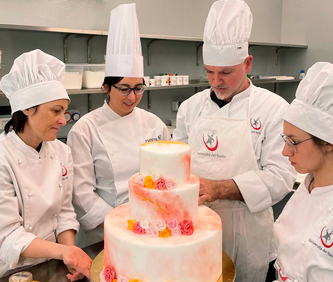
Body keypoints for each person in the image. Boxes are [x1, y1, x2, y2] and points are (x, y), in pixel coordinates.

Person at [172, 1, 297, 281]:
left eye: (226, 72)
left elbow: (282, 176)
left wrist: (221, 189)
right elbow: (177, 168)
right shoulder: (190, 108)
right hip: (196, 231)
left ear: (247, 63)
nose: (216, 81)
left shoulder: (274, 109)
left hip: (248, 234)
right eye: (209, 71)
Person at [67, 3, 170, 248]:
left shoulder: (154, 124)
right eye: (123, 89)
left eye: (138, 89)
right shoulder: (85, 129)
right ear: (106, 87)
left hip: (152, 225)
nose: (132, 97)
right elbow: (82, 195)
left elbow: (167, 178)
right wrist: (122, 224)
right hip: (106, 233)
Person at [0, 49, 91, 280]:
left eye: (65, 111)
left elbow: (64, 213)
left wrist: (70, 256)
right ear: (28, 108)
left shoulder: (61, 151)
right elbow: (8, 234)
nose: (64, 119)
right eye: (56, 111)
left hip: (52, 262)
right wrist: (65, 252)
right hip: (9, 269)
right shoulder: (3, 156)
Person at [273, 62, 333, 282]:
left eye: (294, 142)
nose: (285, 151)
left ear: (328, 142)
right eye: (285, 139)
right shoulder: (309, 184)